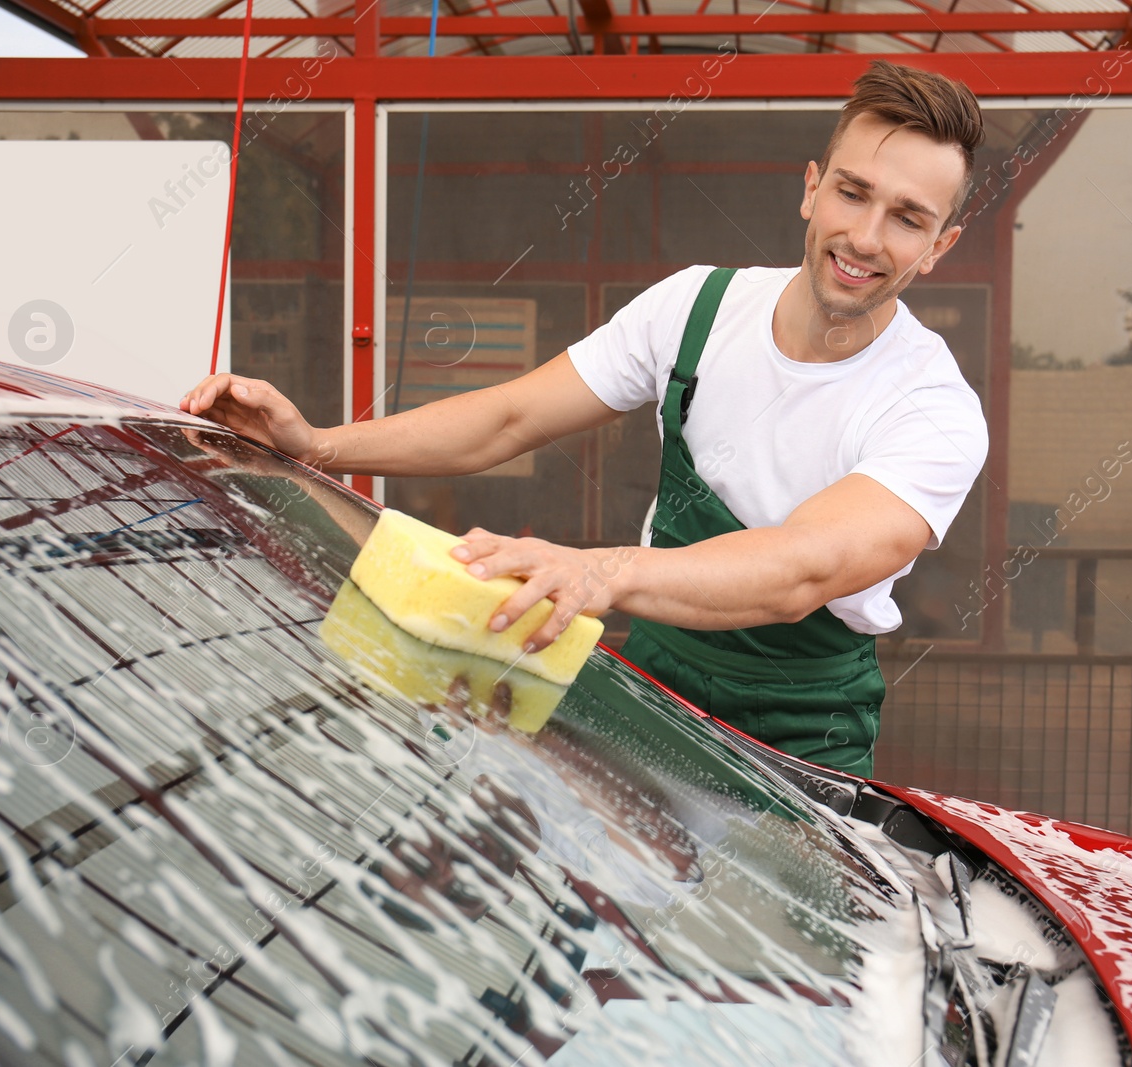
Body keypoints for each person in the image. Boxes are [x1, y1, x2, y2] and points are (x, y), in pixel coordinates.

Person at [181, 61, 990, 778]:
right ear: (812, 188)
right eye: (852, 193)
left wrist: (603, 572)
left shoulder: (933, 409)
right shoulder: (699, 307)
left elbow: (801, 570)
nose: (866, 236)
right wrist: (318, 445)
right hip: (657, 685)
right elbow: (509, 417)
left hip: (805, 739)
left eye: (908, 218)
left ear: (939, 247)